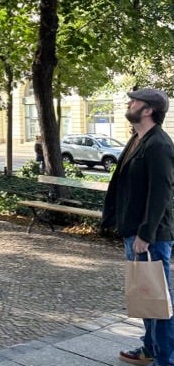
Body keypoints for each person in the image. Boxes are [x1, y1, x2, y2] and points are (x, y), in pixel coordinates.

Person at [101, 88, 174, 366]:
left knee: (158, 300)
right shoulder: (138, 139)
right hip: (134, 232)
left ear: (148, 110)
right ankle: (150, 349)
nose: (129, 103)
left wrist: (145, 233)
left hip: (150, 236)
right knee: (146, 296)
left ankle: (165, 360)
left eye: (135, 101)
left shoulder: (159, 145)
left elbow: (161, 194)